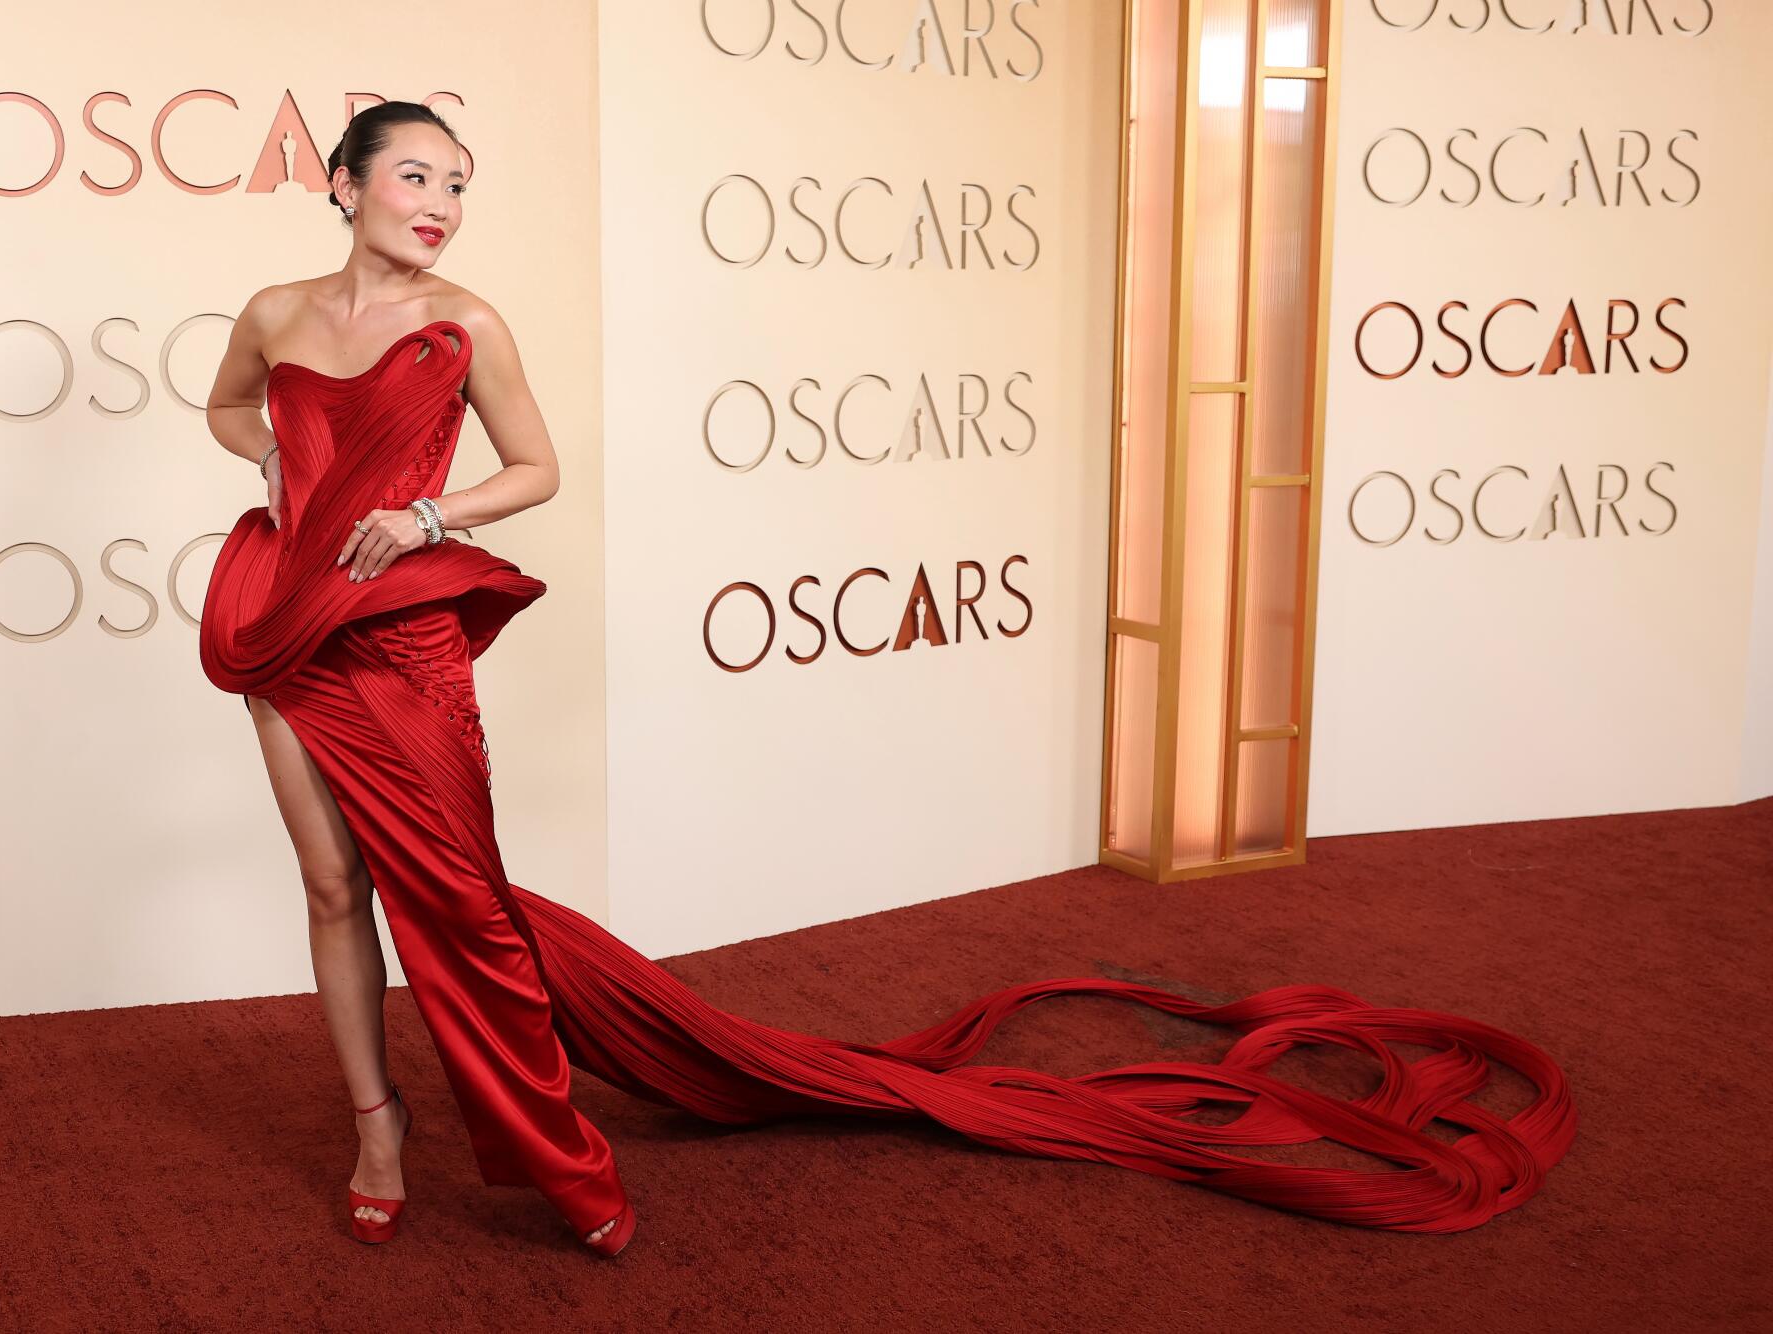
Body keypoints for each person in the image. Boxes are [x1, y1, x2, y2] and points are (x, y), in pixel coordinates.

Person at [199, 102, 1576, 1258]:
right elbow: (227, 405)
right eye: (417, 177)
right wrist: (276, 462)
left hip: (402, 636)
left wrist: (426, 518)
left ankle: (551, 1143)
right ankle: (378, 1122)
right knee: (328, 883)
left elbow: (538, 469)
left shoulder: (467, 325)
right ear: (347, 184)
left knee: (461, 899)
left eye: (459, 185)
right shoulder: (275, 312)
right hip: (288, 620)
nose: (442, 205)